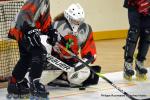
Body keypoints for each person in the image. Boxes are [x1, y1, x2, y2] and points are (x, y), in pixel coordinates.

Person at [7, 0, 58, 99]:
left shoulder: (44, 1)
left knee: (26, 58)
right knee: (40, 52)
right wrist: (29, 30)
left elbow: (44, 18)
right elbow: (24, 15)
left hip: (22, 29)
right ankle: (35, 85)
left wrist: (51, 31)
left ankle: (14, 83)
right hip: (22, 29)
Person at [44, 3, 101, 88]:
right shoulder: (55, 25)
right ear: (68, 16)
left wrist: (86, 60)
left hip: (71, 63)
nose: (77, 23)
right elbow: (44, 40)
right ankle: (61, 76)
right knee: (41, 77)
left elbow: (90, 51)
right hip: (54, 62)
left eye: (79, 21)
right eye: (75, 20)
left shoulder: (86, 29)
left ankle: (64, 77)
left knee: (84, 73)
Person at [123, 0, 150, 80]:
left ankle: (140, 62)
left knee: (147, 33)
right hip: (134, 4)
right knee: (134, 32)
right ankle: (128, 63)